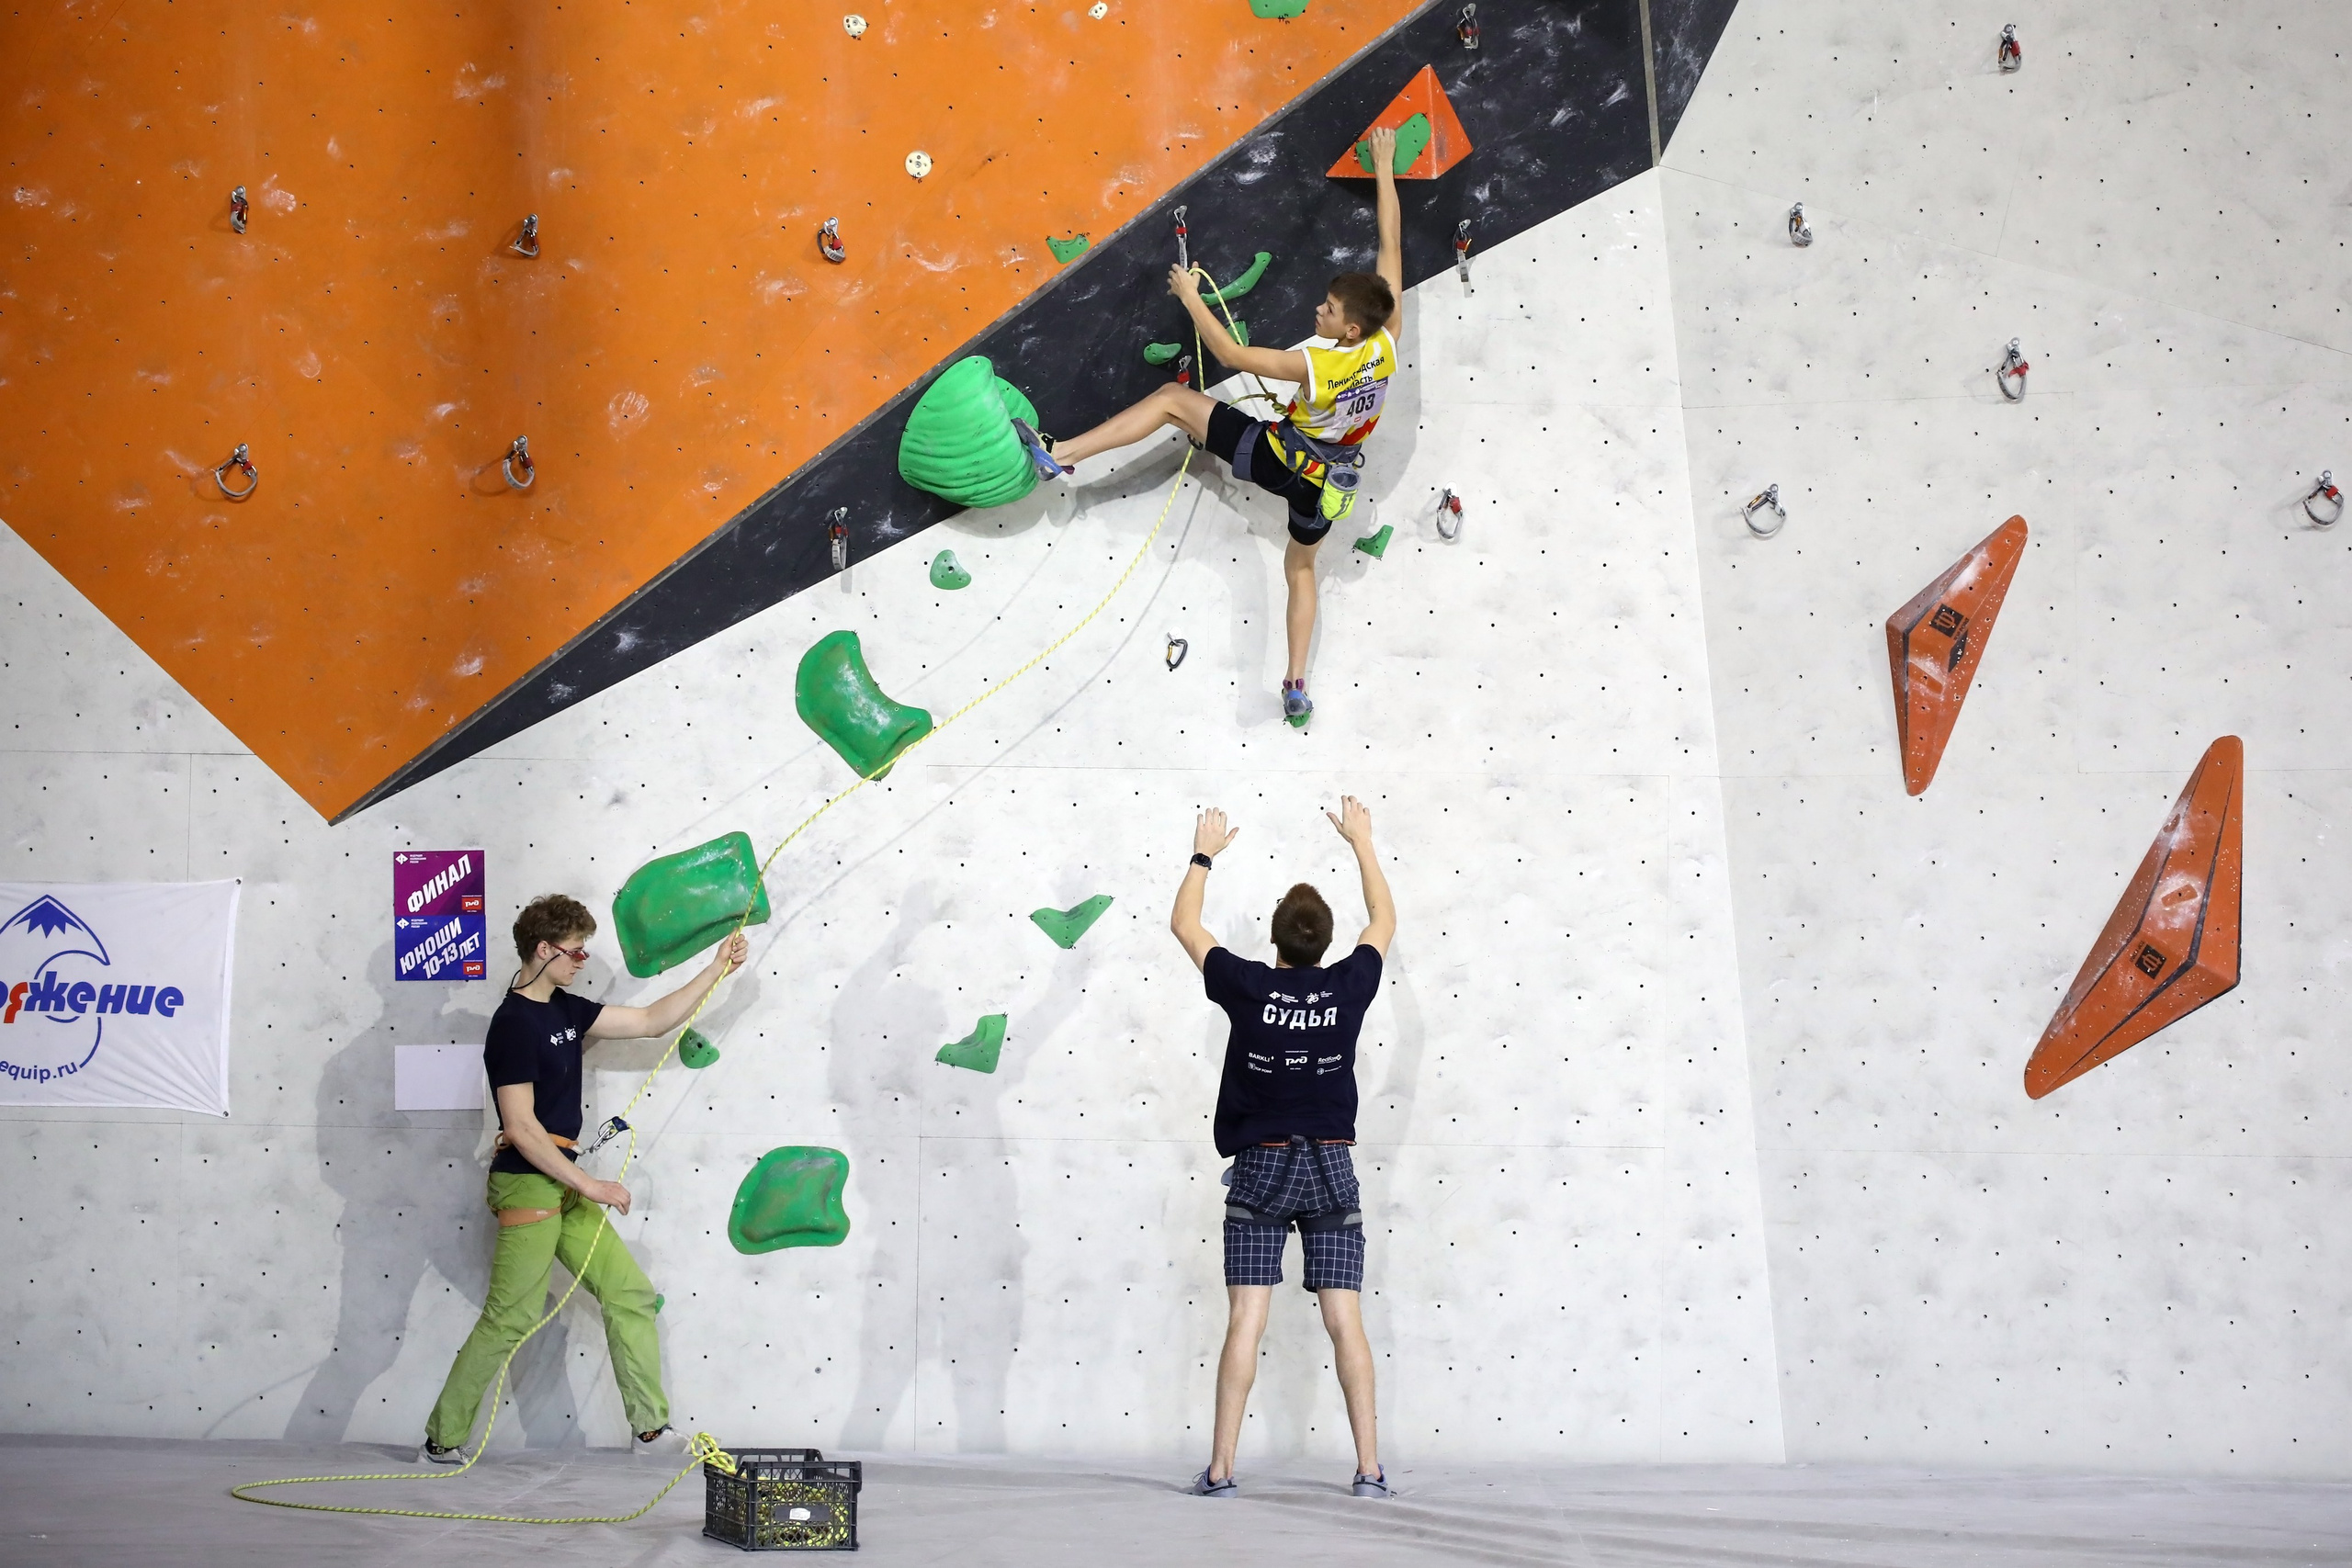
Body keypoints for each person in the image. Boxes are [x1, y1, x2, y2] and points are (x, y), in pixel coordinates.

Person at [1029, 126, 1407, 728]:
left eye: (1330, 311)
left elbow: (1229, 354)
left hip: (1279, 460)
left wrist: (1188, 294)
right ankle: (1296, 685)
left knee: (1172, 400)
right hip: (1328, 487)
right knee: (1301, 569)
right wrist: (1385, 168)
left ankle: (1064, 452)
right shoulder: (1388, 340)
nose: (1319, 310)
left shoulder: (1314, 365)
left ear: (1350, 329)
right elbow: (1391, 243)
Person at [421, 894, 748, 1463]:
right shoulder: (513, 1024)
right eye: (575, 951)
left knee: (628, 1293)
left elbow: (650, 1021)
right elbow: (521, 1128)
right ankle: (441, 1440)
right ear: (544, 950)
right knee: (511, 1316)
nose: (581, 961)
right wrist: (590, 1185)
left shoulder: (566, 1010)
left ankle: (650, 1434)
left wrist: (717, 967)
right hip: (528, 1182)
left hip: (563, 1179)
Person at [1168, 795, 1398, 1498]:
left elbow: (1185, 924)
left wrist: (1204, 852)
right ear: (1325, 943)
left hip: (1262, 1164)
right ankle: (1368, 1470)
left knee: (1246, 1318)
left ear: (1274, 939)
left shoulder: (1248, 984)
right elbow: (1384, 920)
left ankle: (1221, 1470)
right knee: (1345, 1320)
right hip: (1330, 1163)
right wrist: (1361, 841)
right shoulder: (1349, 984)